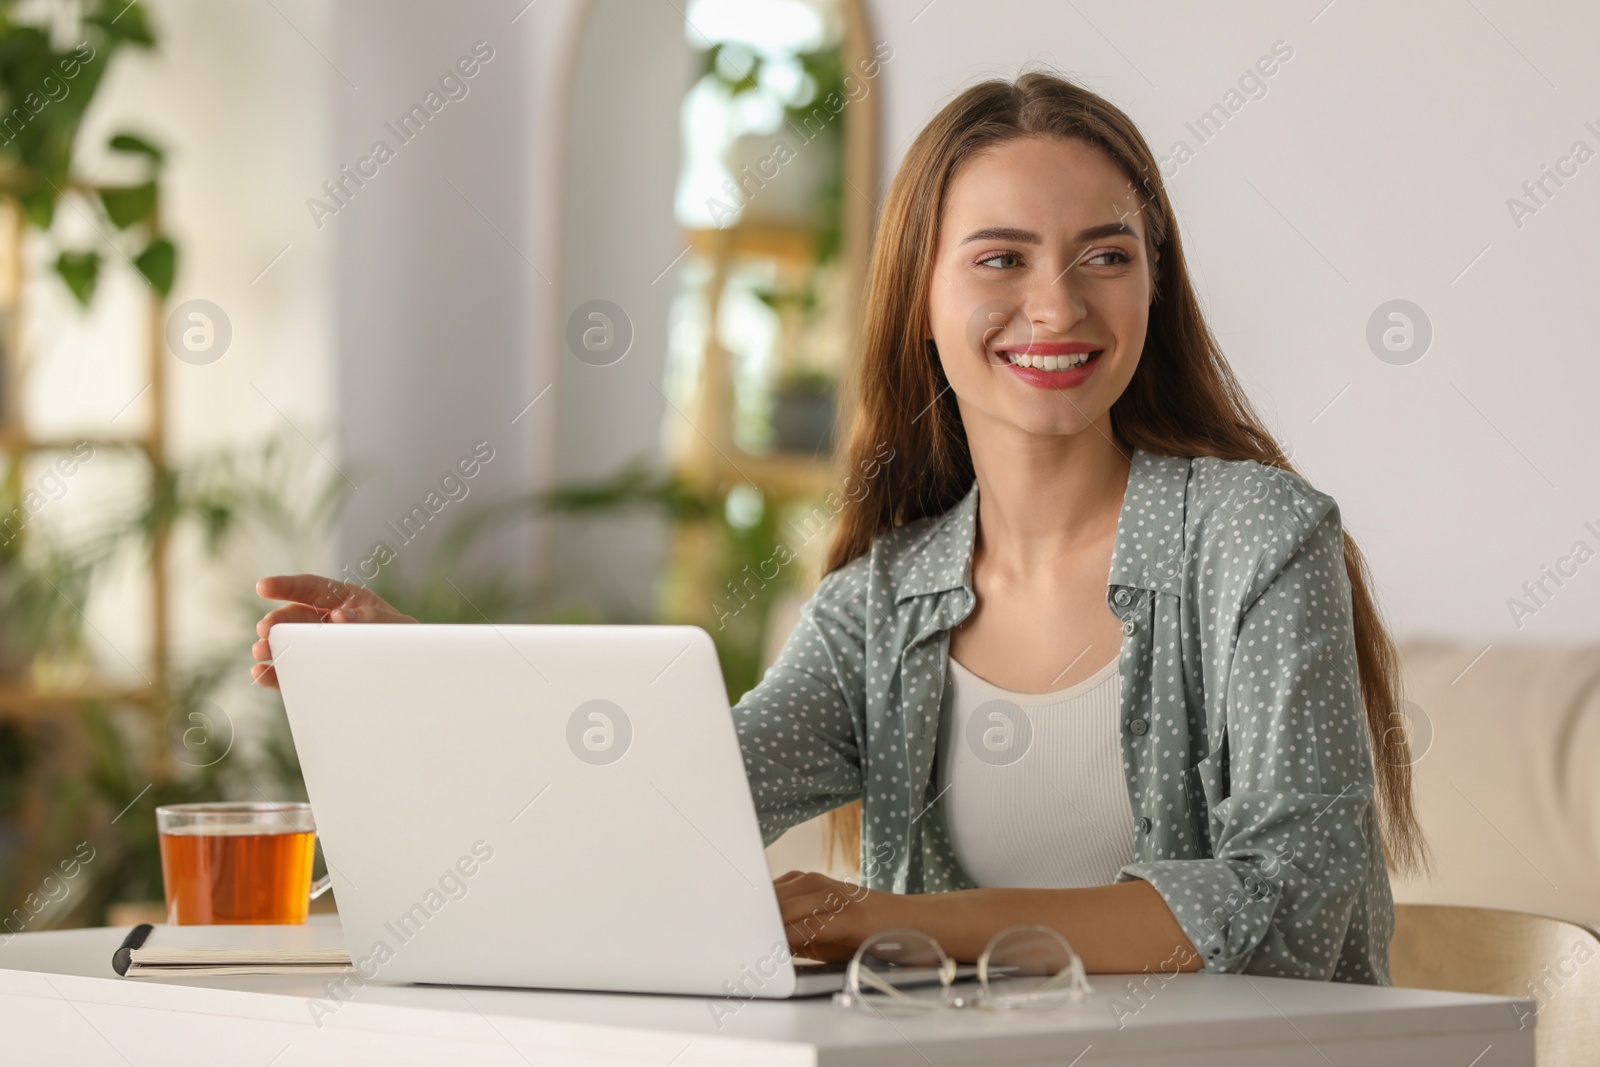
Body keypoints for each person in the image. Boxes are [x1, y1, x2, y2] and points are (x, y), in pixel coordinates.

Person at [252, 68, 1426, 984]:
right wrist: (426, 681)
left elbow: (1294, 890)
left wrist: (906, 923)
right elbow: (670, 805)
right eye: (1000, 259)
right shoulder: (883, 603)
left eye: (1104, 257)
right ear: (921, 295)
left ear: (1151, 286)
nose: (1057, 304)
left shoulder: (1257, 538)